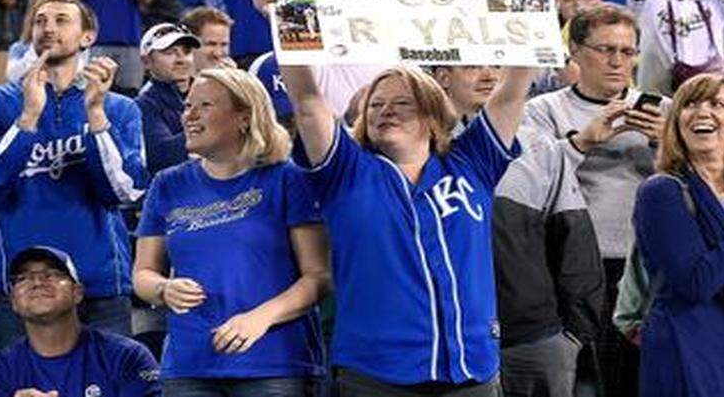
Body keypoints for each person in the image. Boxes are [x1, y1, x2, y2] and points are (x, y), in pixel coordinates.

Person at [279, 47, 533, 394]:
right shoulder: (346, 171)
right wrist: (290, 24)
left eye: (402, 103)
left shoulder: (473, 162)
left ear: (432, 115)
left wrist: (531, 18)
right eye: (376, 105)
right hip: (377, 375)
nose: (386, 111)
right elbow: (308, 102)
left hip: (473, 369)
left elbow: (512, 93)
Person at [0, 0, 147, 355]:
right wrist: (27, 119)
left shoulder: (120, 109)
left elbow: (124, 193)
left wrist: (95, 115)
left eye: (62, 20)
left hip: (99, 282)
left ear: (87, 37)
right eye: (41, 20)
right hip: (17, 285)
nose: (48, 28)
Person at [134, 68, 330, 394]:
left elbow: (319, 276)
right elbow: (143, 273)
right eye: (187, 106)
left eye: (205, 105)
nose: (189, 116)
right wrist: (163, 289)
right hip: (189, 366)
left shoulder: (288, 179)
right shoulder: (167, 184)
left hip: (274, 364)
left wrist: (260, 318)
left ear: (244, 117)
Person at [518, 4, 664, 396]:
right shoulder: (542, 111)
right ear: (576, 52)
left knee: (633, 374)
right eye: (605, 50)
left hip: (643, 262)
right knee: (578, 377)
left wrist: (666, 144)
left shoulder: (663, 110)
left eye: (627, 51)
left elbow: (693, 183)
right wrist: (583, 142)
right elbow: (527, 184)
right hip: (567, 262)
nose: (618, 61)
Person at [634, 74, 724, 397]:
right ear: (676, 123)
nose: (703, 112)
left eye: (716, 104)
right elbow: (696, 281)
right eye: (690, 104)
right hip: (693, 355)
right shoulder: (662, 192)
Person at [0, 246, 161, 397]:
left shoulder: (126, 356)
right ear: (13, 302)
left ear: (77, 292)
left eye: (51, 274)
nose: (37, 282)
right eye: (23, 278)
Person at [135, 22, 200, 175]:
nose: (181, 59)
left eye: (187, 51)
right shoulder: (143, 105)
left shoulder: (209, 91)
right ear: (146, 61)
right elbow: (163, 156)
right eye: (170, 52)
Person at [181, 6, 234, 73]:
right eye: (211, 44)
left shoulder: (234, 78)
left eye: (224, 44)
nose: (218, 53)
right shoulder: (168, 80)